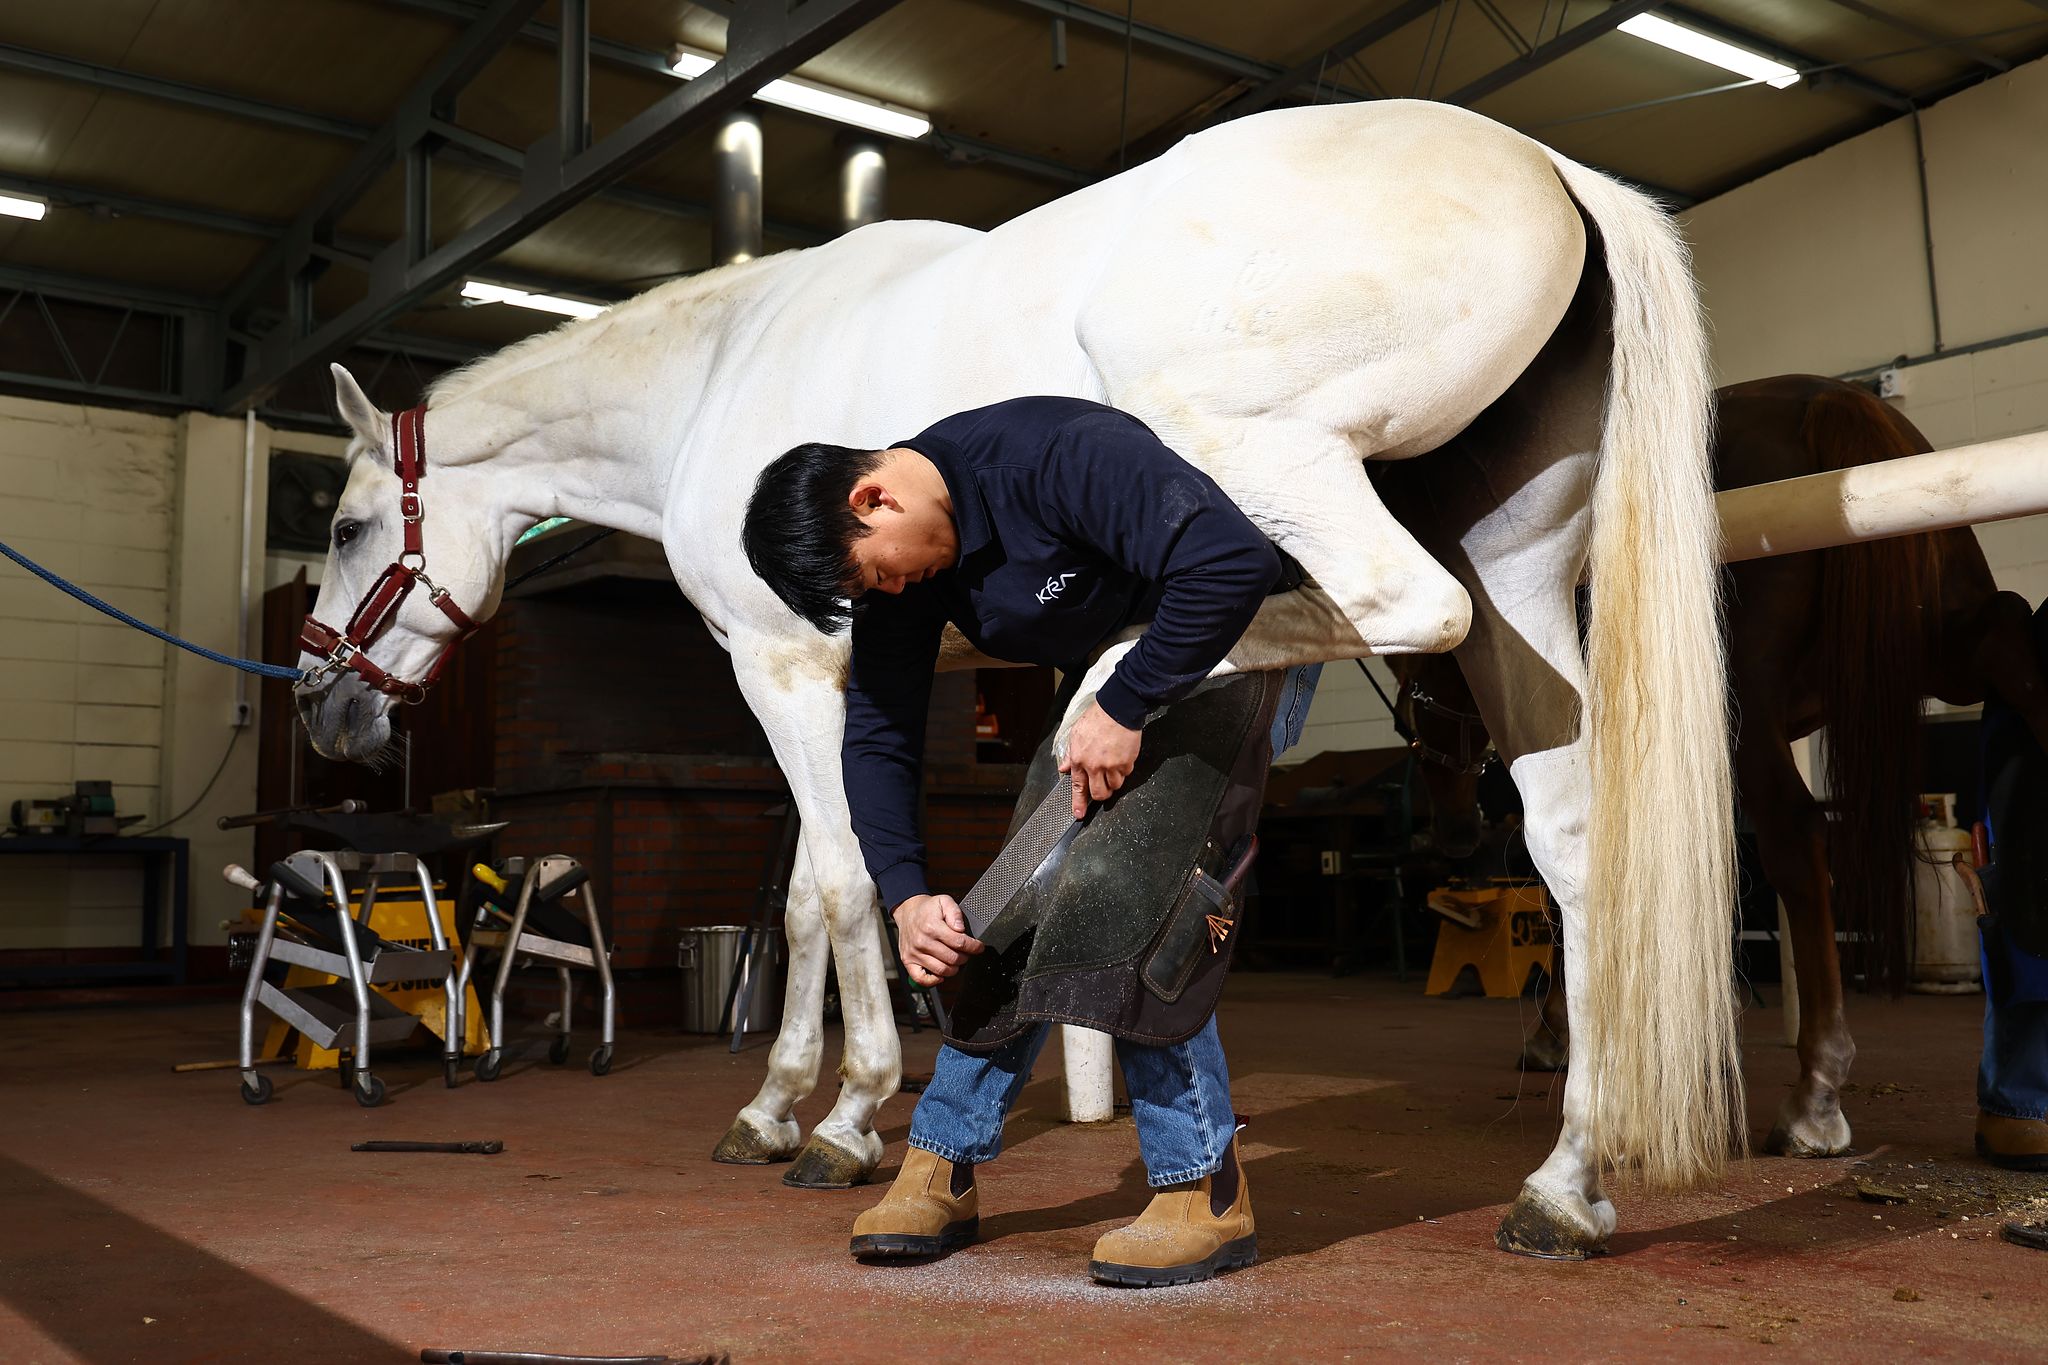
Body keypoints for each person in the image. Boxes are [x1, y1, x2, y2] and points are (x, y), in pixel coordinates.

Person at [741, 395, 1316, 1286]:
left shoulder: (1055, 455)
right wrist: (904, 892)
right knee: (1014, 892)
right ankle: (942, 1158)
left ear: (871, 499)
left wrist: (1124, 708)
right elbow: (881, 732)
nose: (888, 595)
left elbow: (1228, 561)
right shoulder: (909, 569)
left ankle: (1202, 1185)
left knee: (1128, 882)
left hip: (1244, 629)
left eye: (875, 577)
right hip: (1119, 673)